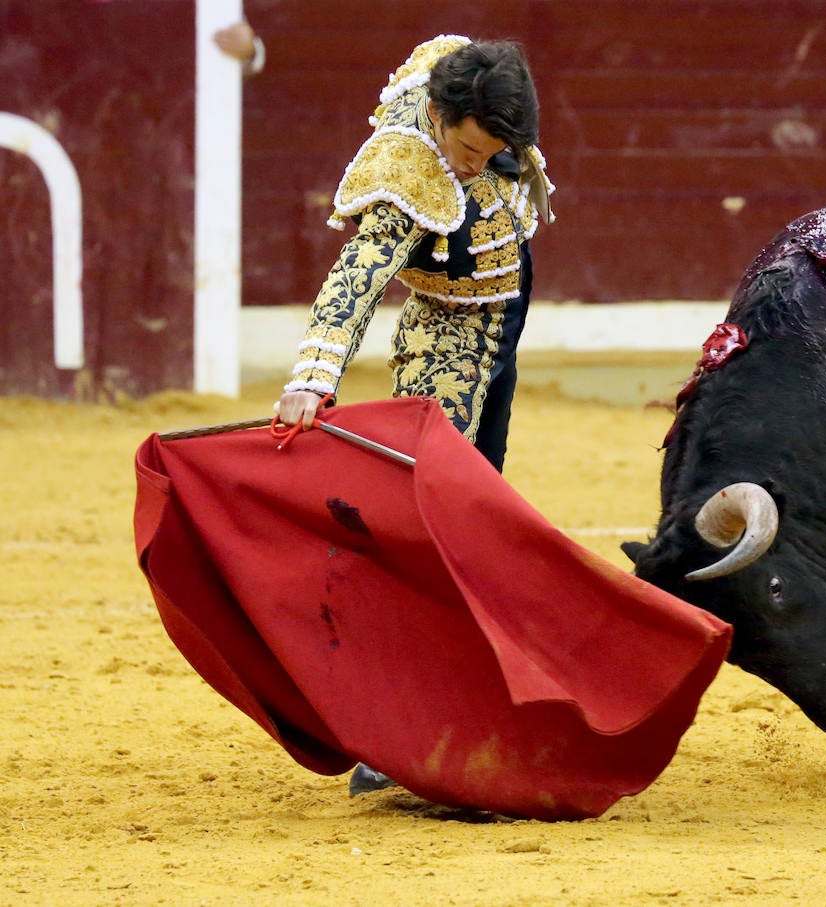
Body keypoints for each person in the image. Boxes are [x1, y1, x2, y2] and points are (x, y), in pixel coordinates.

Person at [273, 34, 554, 794]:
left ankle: (460, 702)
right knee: (433, 533)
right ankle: (393, 736)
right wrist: (313, 378)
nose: (474, 165)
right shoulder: (407, 166)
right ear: (436, 116)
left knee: (476, 518)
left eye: (491, 152)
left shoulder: (476, 86)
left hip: (499, 331)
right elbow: (356, 278)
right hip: (446, 349)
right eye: (466, 149)